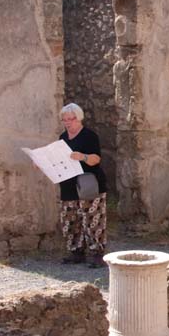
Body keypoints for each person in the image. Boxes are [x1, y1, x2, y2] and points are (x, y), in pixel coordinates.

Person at [57, 103, 108, 266]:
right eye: (64, 120)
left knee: (93, 219)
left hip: (88, 183)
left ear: (79, 119)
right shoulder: (62, 138)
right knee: (70, 219)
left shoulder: (89, 136)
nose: (67, 123)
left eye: (70, 119)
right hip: (68, 183)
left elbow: (96, 159)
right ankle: (75, 251)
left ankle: (97, 253)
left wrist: (83, 157)